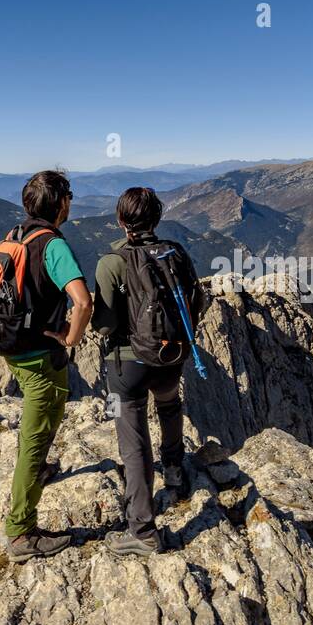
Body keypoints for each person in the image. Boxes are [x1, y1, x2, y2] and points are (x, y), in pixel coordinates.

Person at [91, 187, 204, 557]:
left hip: (127, 366)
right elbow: (197, 300)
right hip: (171, 357)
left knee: (134, 442)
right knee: (170, 406)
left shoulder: (112, 262)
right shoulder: (176, 252)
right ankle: (174, 469)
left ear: (121, 221)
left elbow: (105, 325)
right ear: (156, 219)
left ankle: (142, 529)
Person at [2, 170, 92, 562]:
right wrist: (72, 339)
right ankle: (21, 532)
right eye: (68, 196)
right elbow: (83, 301)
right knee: (37, 437)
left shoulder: (15, 236)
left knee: (35, 425)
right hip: (40, 356)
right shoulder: (53, 245)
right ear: (62, 204)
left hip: (11, 349)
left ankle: (37, 468)